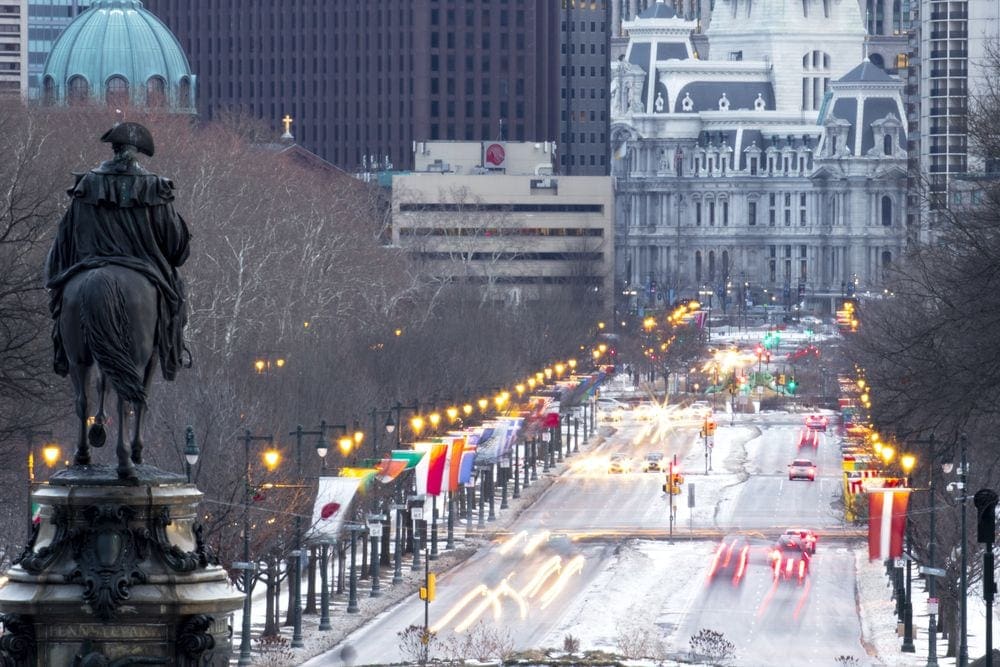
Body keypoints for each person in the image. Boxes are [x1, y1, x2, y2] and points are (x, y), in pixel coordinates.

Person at [45, 122, 191, 381]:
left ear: (114, 149)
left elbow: (65, 234)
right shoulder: (155, 186)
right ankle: (174, 352)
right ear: (137, 151)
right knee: (176, 297)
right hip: (143, 265)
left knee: (62, 299)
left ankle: (60, 351)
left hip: (89, 263)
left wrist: (56, 275)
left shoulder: (87, 183)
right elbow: (174, 243)